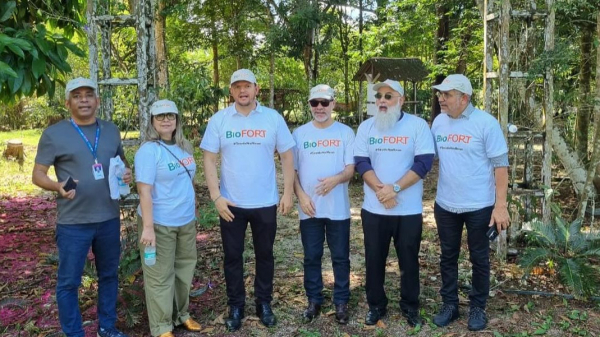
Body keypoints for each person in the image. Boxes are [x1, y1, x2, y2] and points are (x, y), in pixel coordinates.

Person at [32, 77, 131, 337]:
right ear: (68, 103)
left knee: (109, 276)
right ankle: (74, 333)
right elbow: (38, 175)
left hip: (109, 218)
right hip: (73, 222)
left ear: (97, 100)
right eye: (77, 96)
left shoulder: (111, 130)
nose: (84, 100)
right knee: (68, 283)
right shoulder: (54, 134)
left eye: (89, 95)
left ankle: (107, 327)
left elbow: (120, 162)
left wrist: (127, 173)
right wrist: (57, 186)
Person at [200, 69, 296, 332]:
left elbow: (287, 156)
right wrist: (216, 196)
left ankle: (263, 303)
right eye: (237, 87)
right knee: (233, 257)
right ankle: (236, 306)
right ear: (230, 91)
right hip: (231, 204)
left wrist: (287, 193)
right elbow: (209, 158)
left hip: (265, 202)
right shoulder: (220, 120)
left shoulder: (272, 119)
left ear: (256, 89)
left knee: (265, 255)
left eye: (247, 86)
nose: (242, 91)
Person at [430, 74, 509, 331]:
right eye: (440, 94)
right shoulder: (439, 122)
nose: (441, 98)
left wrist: (500, 206)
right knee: (448, 256)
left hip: (479, 206)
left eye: (447, 94)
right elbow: (427, 157)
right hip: (446, 204)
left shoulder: (485, 123)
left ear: (464, 98)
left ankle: (477, 307)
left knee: (479, 258)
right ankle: (450, 305)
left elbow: (500, 166)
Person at [354, 79, 435, 327]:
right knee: (374, 259)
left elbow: (423, 163)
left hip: (407, 210)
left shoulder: (417, 126)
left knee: (409, 260)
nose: (382, 101)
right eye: (378, 96)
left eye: (388, 96)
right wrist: (382, 191)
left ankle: (410, 306)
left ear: (401, 99)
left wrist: (395, 189)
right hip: (374, 209)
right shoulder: (366, 127)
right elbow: (361, 162)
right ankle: (376, 305)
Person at [135, 100, 201, 337]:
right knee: (159, 275)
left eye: (170, 115)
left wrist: (192, 208)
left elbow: (188, 181)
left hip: (185, 220)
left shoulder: (185, 146)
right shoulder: (148, 151)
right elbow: (144, 191)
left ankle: (181, 314)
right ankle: (162, 326)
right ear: (152, 121)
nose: (165, 120)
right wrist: (148, 228)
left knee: (184, 270)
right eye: (160, 116)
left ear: (177, 119)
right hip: (159, 223)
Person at [292, 84, 355, 324]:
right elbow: (293, 171)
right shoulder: (299, 134)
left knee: (340, 256)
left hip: (337, 207)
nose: (320, 107)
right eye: (314, 103)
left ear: (333, 104)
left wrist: (337, 179)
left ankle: (341, 301)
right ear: (309, 105)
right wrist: (301, 196)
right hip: (309, 207)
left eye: (324, 102)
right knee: (312, 256)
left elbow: (351, 169)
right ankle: (314, 300)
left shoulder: (345, 133)